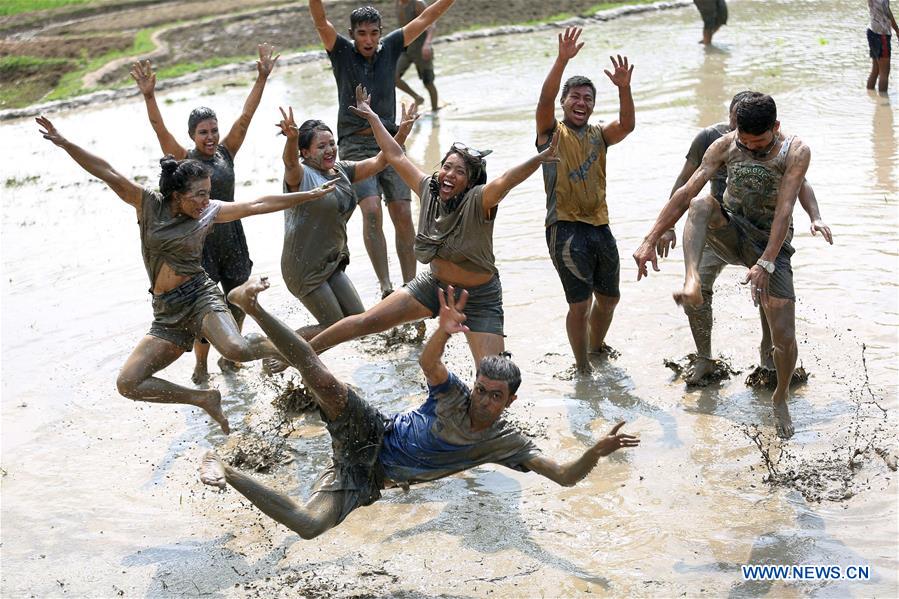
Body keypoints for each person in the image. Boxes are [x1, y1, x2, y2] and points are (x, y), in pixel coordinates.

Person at [200, 277, 640, 538]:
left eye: (494, 396)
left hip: (368, 475)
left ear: (510, 401)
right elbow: (428, 362)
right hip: (374, 430)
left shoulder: (506, 442)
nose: (483, 400)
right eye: (482, 389)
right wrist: (445, 331)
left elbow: (563, 476)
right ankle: (252, 304)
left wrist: (595, 453)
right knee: (323, 378)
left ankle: (224, 468)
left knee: (309, 525)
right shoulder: (454, 395)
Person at [36, 115, 337, 435]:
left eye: (209, 193)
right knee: (128, 383)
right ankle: (204, 397)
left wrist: (305, 195)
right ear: (178, 194)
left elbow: (256, 204)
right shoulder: (149, 204)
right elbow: (106, 171)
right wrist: (64, 142)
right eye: (200, 195)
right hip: (166, 312)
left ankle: (284, 352)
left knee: (236, 349)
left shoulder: (208, 212)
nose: (207, 201)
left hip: (199, 296)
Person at [307, 89, 561, 364]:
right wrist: (372, 116)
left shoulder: (479, 200)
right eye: (447, 167)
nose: (449, 175)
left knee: (492, 374)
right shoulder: (429, 188)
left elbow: (506, 180)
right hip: (434, 285)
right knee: (365, 322)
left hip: (479, 297)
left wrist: (539, 159)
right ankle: (301, 355)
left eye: (460, 172)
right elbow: (395, 155)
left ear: (470, 182)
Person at [632, 93, 811, 439]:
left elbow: (786, 209)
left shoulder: (796, 151)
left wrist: (766, 262)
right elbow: (685, 193)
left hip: (771, 243)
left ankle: (780, 396)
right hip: (729, 230)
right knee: (701, 203)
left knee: (784, 339)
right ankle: (692, 281)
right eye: (745, 142)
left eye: (759, 143)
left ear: (776, 128)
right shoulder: (724, 145)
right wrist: (650, 238)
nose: (752, 149)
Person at [655, 92, 833, 385]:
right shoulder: (712, 139)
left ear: (773, 127)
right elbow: (686, 183)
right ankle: (704, 359)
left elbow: (800, 187)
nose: (748, 143)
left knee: (768, 297)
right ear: (731, 119)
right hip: (722, 224)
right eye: (737, 127)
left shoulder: (781, 145)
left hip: (762, 233)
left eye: (755, 139)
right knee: (697, 289)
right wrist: (666, 226)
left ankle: (769, 362)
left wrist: (815, 216)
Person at [130, 43, 279, 383]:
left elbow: (247, 116)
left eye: (213, 130)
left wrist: (261, 77)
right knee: (204, 309)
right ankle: (201, 364)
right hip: (200, 243)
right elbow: (158, 128)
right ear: (191, 136)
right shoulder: (184, 161)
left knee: (238, 296)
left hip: (234, 237)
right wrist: (149, 96)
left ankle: (232, 355)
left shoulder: (227, 152)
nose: (210, 137)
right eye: (203, 132)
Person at [309, 0, 456, 298]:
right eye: (361, 34)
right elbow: (321, 21)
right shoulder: (341, 51)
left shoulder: (390, 47)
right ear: (352, 34)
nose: (368, 40)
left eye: (373, 33)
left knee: (402, 212)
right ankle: (386, 287)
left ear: (380, 33)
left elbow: (429, 15)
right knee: (372, 211)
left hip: (390, 141)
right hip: (353, 142)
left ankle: (411, 286)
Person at [535, 27, 635, 373]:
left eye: (588, 98)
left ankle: (596, 347)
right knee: (580, 304)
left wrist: (624, 88)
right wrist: (562, 59)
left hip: (599, 225)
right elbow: (543, 102)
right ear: (564, 102)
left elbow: (627, 124)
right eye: (575, 97)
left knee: (609, 299)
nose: (581, 103)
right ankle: (581, 367)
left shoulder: (599, 135)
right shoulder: (551, 134)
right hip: (564, 228)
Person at [277, 98, 419, 340]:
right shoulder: (300, 177)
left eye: (332, 143)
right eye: (321, 146)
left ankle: (293, 355)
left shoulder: (342, 170)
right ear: (306, 152)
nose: (330, 149)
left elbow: (380, 161)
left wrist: (402, 132)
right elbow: (290, 162)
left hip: (331, 261)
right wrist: (291, 139)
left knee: (359, 323)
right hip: (304, 267)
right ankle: (277, 352)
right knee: (335, 328)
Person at [395, 0, 439, 112]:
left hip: (421, 48)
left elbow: (431, 24)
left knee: (428, 82)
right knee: (393, 76)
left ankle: (435, 111)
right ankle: (417, 97)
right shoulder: (398, 3)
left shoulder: (417, 3)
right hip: (405, 48)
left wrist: (427, 44)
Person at [866, 0, 899, 93]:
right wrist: (897, 30)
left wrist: (896, 30)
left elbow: (887, 10)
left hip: (872, 31)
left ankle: (871, 97)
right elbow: (887, 11)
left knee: (875, 70)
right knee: (884, 73)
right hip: (882, 34)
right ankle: (883, 103)